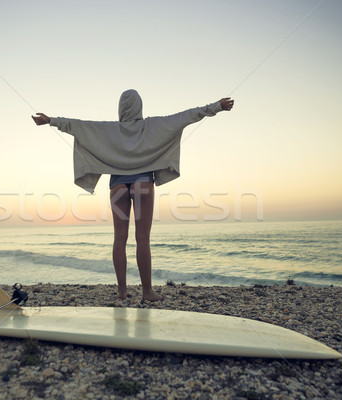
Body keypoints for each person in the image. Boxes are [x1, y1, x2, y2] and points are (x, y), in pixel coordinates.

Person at [32, 90, 234, 301]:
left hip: (117, 186)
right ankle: (147, 292)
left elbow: (79, 125)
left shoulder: (109, 130)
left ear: (120, 108)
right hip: (143, 185)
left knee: (119, 239)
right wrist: (217, 106)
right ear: (140, 106)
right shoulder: (153, 125)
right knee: (142, 239)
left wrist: (50, 121)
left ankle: (122, 292)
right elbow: (188, 116)